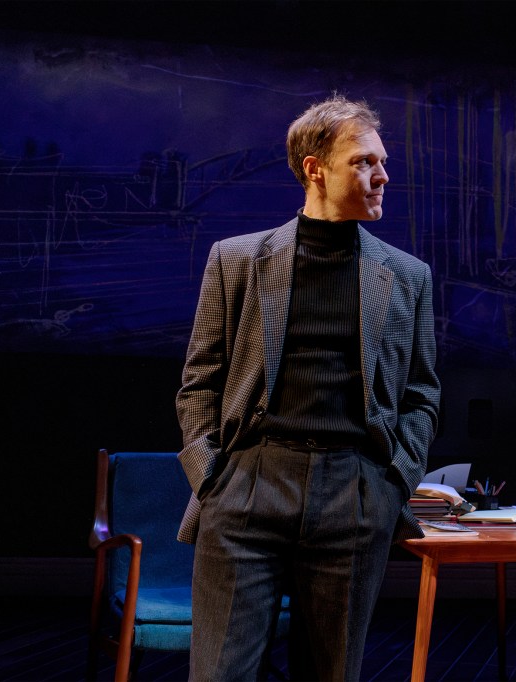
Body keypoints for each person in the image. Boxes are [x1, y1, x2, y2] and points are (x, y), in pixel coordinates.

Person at [175, 94, 440, 681]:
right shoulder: (237, 259)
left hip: (354, 491)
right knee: (219, 674)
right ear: (316, 168)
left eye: (383, 162)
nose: (382, 176)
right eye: (364, 162)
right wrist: (211, 478)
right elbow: (200, 380)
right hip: (249, 482)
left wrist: (391, 484)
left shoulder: (407, 275)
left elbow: (422, 394)